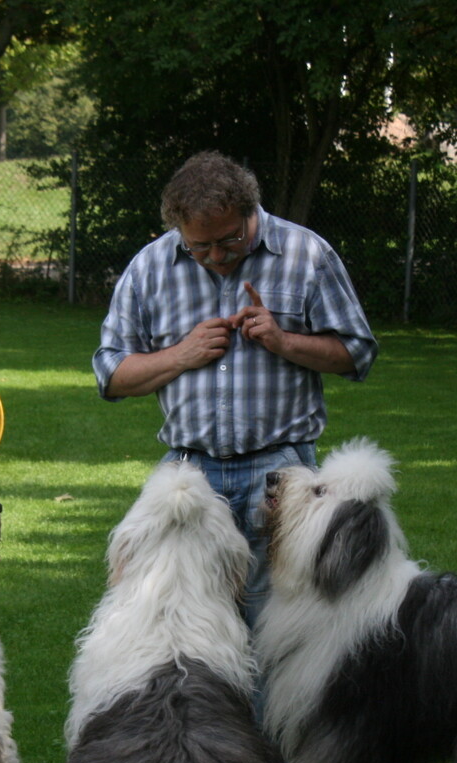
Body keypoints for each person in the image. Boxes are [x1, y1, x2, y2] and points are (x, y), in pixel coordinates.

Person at [91, 151, 378, 624]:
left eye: (229, 240)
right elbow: (111, 375)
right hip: (188, 479)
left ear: (250, 213)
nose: (217, 256)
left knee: (277, 623)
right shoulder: (149, 268)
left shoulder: (306, 255)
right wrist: (181, 354)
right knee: (181, 625)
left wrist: (284, 341)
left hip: (280, 473)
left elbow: (358, 354)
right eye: (199, 247)